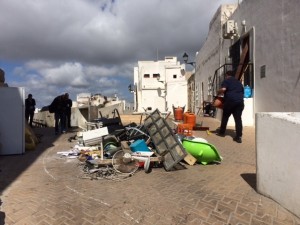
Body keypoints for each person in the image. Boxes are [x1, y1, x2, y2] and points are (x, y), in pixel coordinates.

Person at [216, 70, 244, 143]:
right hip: (239, 102)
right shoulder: (238, 82)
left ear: (227, 75)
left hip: (230, 102)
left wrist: (218, 91)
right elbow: (242, 92)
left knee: (225, 117)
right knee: (238, 119)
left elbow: (223, 89)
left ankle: (222, 133)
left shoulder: (226, 81)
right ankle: (239, 137)